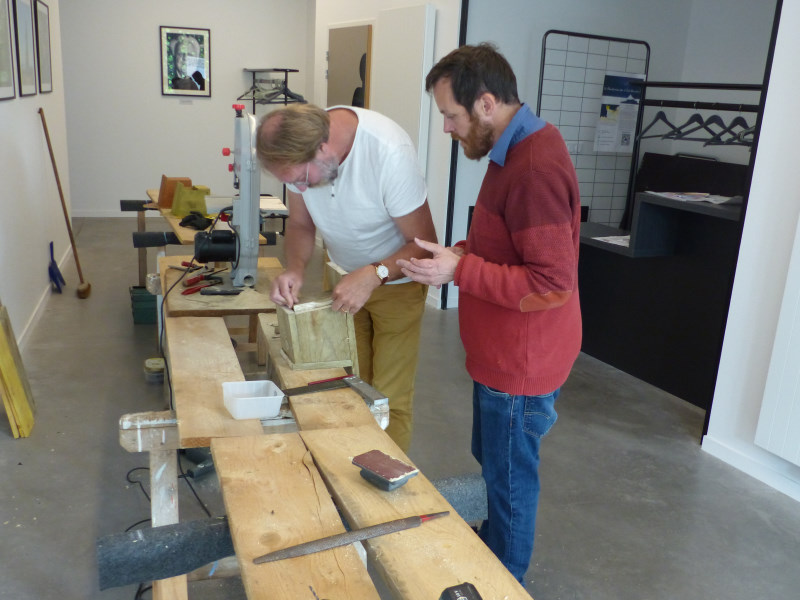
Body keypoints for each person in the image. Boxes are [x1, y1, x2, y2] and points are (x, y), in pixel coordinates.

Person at [397, 43, 582, 583]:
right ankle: (495, 555)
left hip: (520, 366)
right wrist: (460, 253)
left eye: (450, 116)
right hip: (502, 356)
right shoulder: (513, 149)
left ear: (483, 103)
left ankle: (504, 583)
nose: (448, 130)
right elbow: (503, 245)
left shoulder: (533, 167)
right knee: (495, 464)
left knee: (509, 485)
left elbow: (551, 284)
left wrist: (460, 272)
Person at [256, 103, 437, 452]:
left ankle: (381, 492)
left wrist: (374, 274)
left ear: (323, 150)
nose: (301, 190)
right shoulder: (299, 148)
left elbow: (424, 247)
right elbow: (300, 223)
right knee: (348, 384)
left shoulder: (387, 152)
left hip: (398, 282)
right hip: (340, 277)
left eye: (300, 179)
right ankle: (350, 469)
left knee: (388, 398)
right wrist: (294, 268)